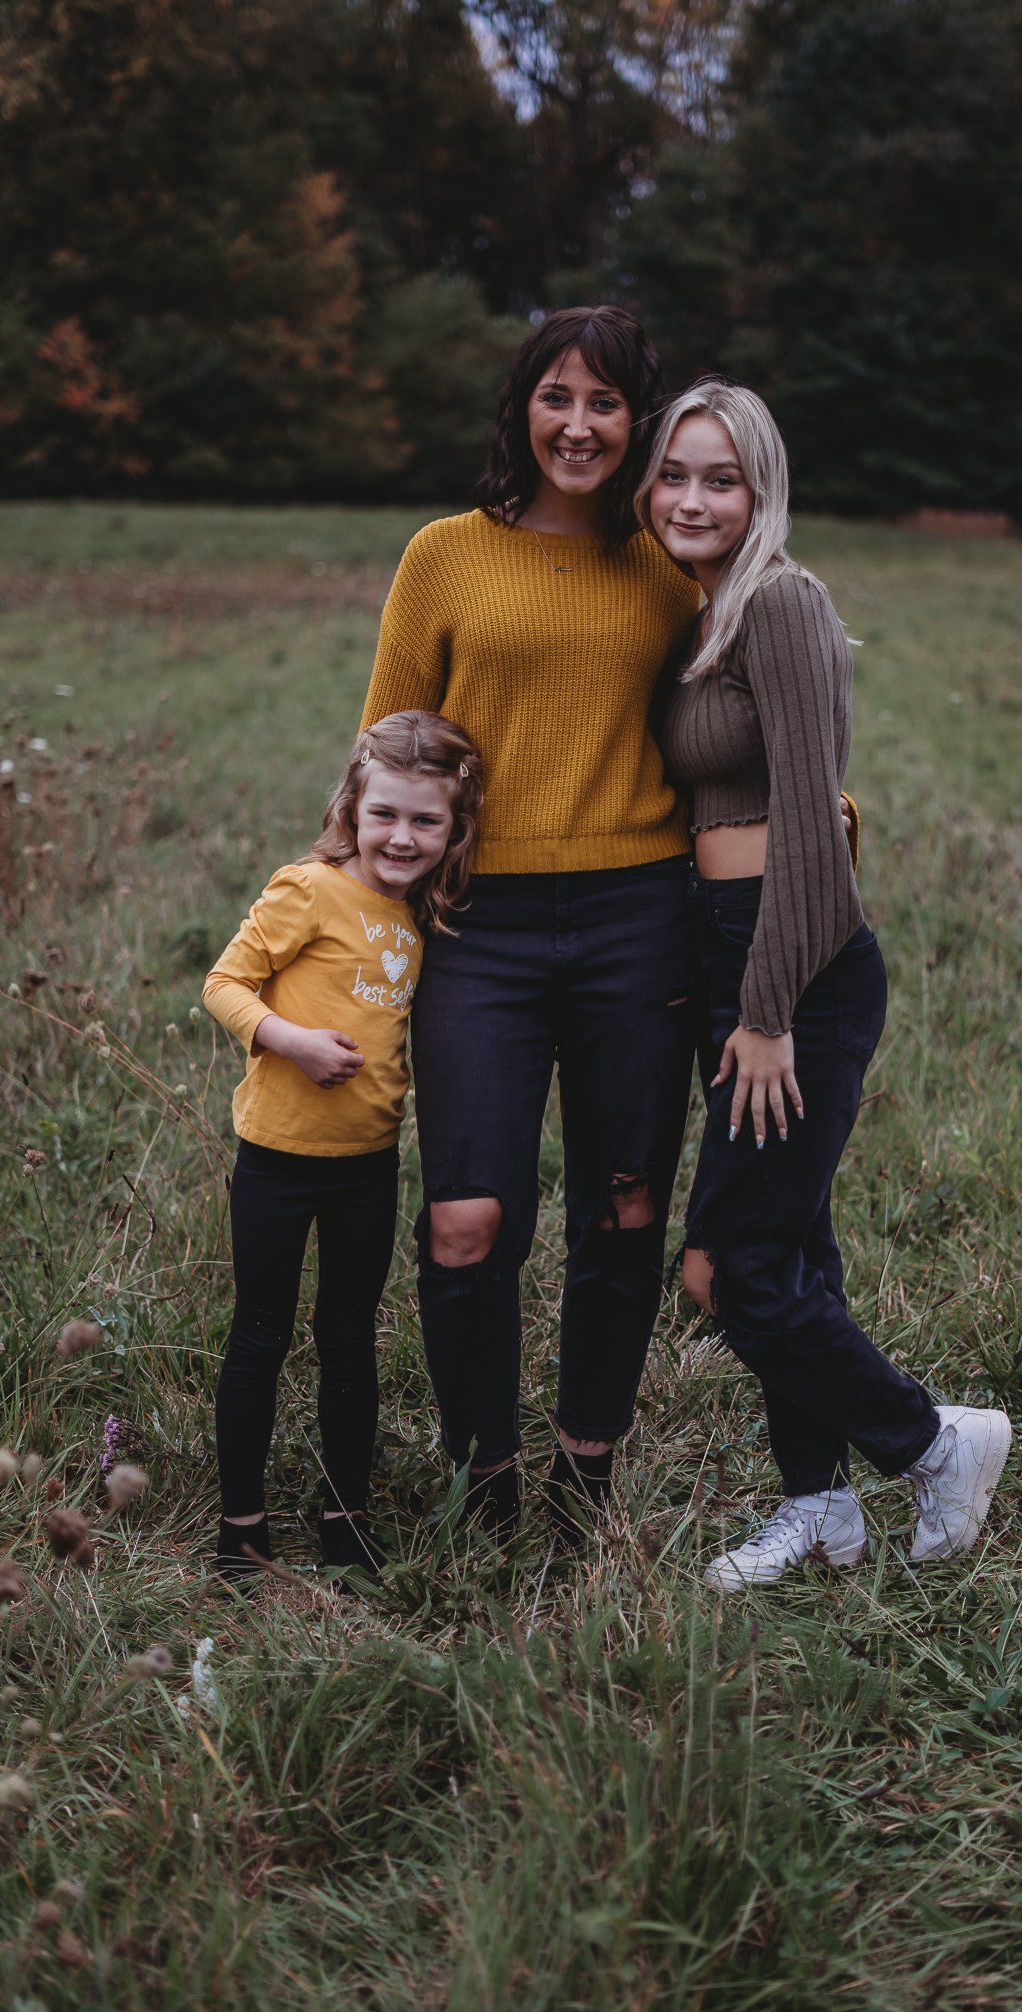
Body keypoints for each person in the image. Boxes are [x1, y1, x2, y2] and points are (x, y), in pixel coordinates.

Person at [639, 380, 1011, 1587]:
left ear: (763, 490)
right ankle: (822, 1509)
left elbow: (810, 814)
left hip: (798, 964)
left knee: (731, 1267)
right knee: (790, 1250)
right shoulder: (698, 615)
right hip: (727, 946)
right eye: (674, 473)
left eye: (722, 477)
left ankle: (936, 1442)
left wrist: (766, 1010)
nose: (692, 497)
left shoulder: (782, 601)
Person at [356, 305, 709, 1540]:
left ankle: (585, 1470)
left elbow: (747, 724)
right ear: (523, 408)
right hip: (478, 924)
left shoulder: (674, 564)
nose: (579, 423)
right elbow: (384, 750)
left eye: (605, 401)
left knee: (625, 1208)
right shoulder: (444, 555)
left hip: (638, 914)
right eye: (557, 395)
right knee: (468, 1218)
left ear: (638, 421)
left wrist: (820, 814)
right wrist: (337, 909)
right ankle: (486, 1478)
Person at [202, 711, 483, 1580]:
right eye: (384, 815)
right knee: (261, 1334)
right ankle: (242, 1527)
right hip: (277, 1161)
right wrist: (291, 1041)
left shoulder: (423, 914)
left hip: (368, 1166)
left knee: (349, 1338)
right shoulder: (308, 890)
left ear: (453, 829)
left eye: (426, 821)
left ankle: (345, 1520)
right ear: (352, 810)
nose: (402, 837)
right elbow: (224, 983)